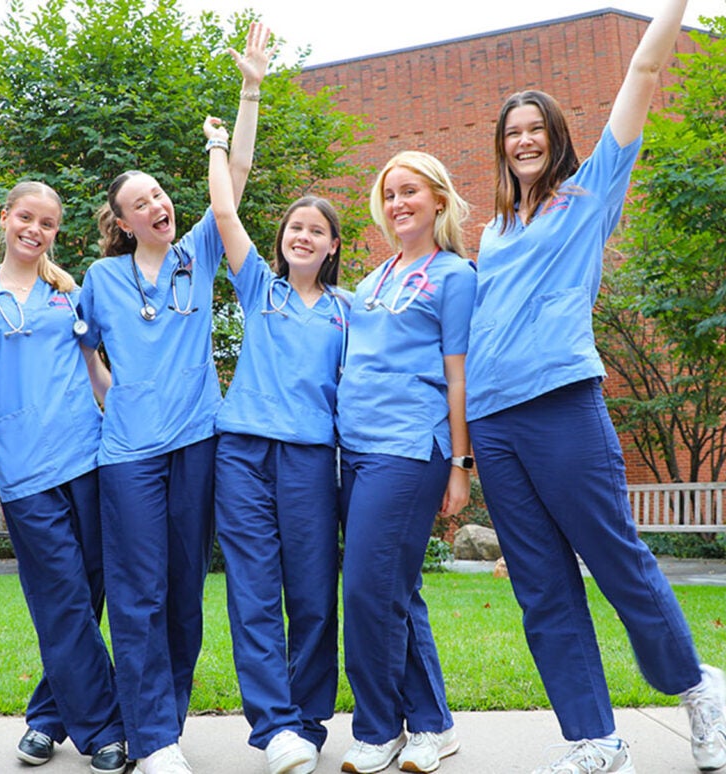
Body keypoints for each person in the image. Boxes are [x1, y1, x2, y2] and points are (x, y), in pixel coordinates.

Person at [463, 1, 726, 772]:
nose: (523, 140)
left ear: (555, 139)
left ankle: (695, 689)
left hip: (563, 406)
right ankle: (593, 739)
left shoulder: (589, 195)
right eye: (512, 131)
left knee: (616, 560)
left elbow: (642, 70)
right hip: (494, 419)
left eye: (535, 129)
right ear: (500, 146)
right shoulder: (491, 233)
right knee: (543, 587)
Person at [76, 23, 273, 774]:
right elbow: (90, 352)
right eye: (141, 202)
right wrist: (112, 400)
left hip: (197, 442)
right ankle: (152, 739)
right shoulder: (99, 280)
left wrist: (248, 89)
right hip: (128, 452)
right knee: (137, 594)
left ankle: (166, 720)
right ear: (122, 224)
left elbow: (241, 171)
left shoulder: (196, 253)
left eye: (159, 193)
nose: (156, 204)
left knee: (185, 593)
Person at [0, 181, 127, 773]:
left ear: (56, 232)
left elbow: (95, 368)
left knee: (90, 593)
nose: (35, 229)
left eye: (48, 223)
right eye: (26, 217)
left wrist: (131, 422)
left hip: (88, 456)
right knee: (61, 600)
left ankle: (48, 717)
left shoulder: (67, 292)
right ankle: (103, 728)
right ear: (5, 218)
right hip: (25, 469)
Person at [203, 115, 348, 774]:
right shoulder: (258, 288)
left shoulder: (351, 312)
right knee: (254, 592)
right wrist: (244, 107)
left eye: (316, 229)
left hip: (312, 461)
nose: (302, 235)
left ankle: (308, 719)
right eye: (295, 226)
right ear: (282, 239)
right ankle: (274, 726)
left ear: (332, 245)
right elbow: (225, 209)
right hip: (242, 457)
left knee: (314, 595)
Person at [335, 151, 476, 774]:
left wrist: (459, 464)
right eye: (389, 194)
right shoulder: (372, 280)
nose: (398, 203)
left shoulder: (456, 277)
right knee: (396, 589)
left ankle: (377, 730)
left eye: (410, 191)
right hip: (355, 449)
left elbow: (459, 374)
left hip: (411, 448)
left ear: (438, 200)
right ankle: (432, 725)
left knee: (367, 589)